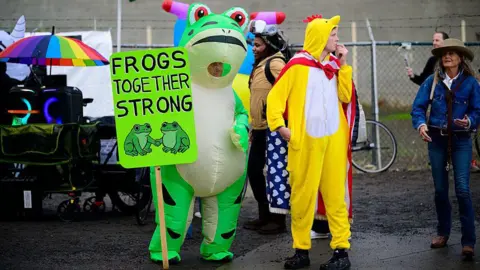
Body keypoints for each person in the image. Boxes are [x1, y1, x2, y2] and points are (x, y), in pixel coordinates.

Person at [267, 14, 354, 270]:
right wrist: (281, 127)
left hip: (334, 143)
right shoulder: (297, 66)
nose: (337, 38)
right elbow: (274, 99)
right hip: (305, 143)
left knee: (336, 198)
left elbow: (345, 95)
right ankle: (301, 250)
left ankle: (341, 251)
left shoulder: (334, 66)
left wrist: (344, 63)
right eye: (333, 34)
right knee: (302, 197)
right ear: (320, 37)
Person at [411, 38, 479, 260]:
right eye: (444, 53)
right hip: (437, 139)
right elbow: (418, 107)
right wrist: (421, 125)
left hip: (461, 141)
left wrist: (469, 120)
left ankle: (468, 242)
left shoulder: (471, 83)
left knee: (462, 190)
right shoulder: (432, 81)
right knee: (440, 190)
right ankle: (443, 233)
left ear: (461, 58)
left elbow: (478, 110)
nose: (447, 56)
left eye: (452, 53)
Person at [243, 20, 289, 234]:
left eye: (258, 45)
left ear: (269, 45)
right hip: (260, 129)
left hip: (274, 130)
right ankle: (265, 216)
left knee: (275, 173)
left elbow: (290, 92)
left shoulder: (275, 64)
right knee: (255, 171)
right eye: (253, 44)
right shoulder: (262, 63)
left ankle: (277, 221)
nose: (254, 48)